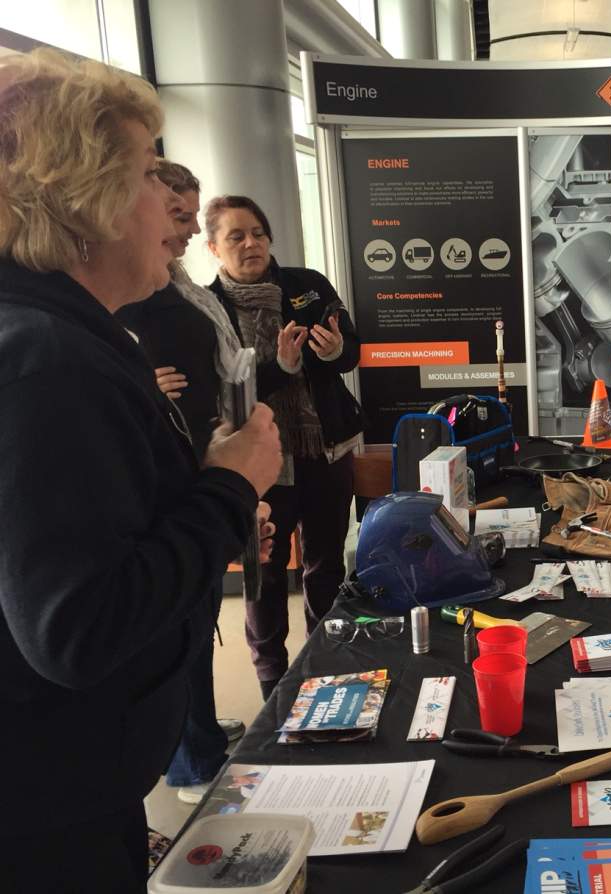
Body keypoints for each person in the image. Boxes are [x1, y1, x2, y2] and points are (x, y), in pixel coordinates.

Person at [0, 49, 281, 891]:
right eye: (147, 171)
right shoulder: (44, 358)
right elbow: (77, 629)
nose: (174, 203)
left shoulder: (70, 333)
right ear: (77, 191)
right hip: (47, 818)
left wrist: (202, 492)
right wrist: (230, 489)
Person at [115, 161, 260, 802]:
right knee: (178, 620)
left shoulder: (176, 285)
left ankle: (196, 732)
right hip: (175, 482)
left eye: (188, 218)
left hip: (202, 462)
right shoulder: (118, 300)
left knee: (197, 624)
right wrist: (142, 388)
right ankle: (192, 761)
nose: (180, 233)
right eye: (174, 216)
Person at [206, 195, 363, 700]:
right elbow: (223, 394)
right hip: (258, 467)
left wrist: (338, 351)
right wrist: (280, 368)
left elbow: (350, 350)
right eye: (236, 236)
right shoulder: (210, 310)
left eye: (258, 232)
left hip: (324, 454)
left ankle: (323, 664)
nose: (251, 244)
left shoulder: (308, 285)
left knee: (325, 566)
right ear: (213, 247)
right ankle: (273, 683)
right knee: (264, 577)